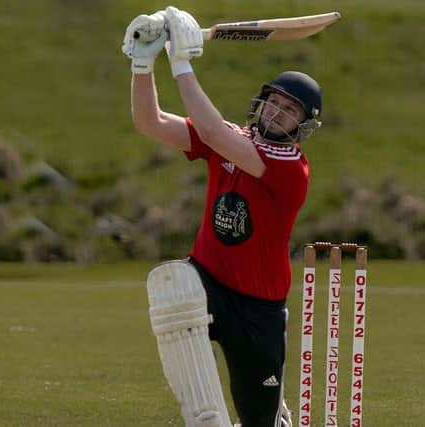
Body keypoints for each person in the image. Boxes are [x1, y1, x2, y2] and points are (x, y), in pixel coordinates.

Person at [122, 6, 323, 427]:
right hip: (208, 280)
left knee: (259, 420)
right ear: (261, 102)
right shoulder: (234, 137)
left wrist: (182, 63)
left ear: (303, 125)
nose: (277, 112)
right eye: (274, 102)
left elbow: (214, 133)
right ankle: (207, 419)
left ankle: (273, 415)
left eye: (291, 110)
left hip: (259, 304)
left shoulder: (291, 169)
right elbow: (150, 122)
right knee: (174, 289)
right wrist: (144, 63)